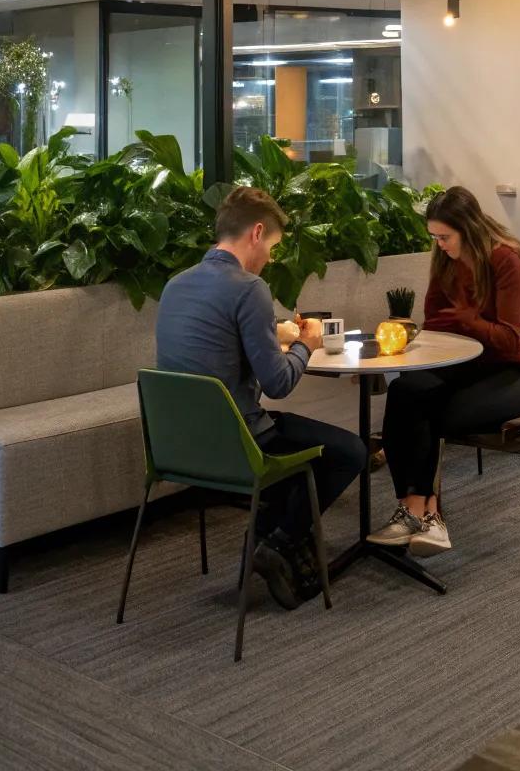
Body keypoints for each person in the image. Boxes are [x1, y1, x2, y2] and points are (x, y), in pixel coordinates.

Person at [155, 185, 365, 610]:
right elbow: (278, 384)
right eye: (272, 246)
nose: (270, 257)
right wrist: (306, 342)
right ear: (255, 233)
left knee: (297, 453)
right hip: (240, 447)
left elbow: (218, 349)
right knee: (350, 451)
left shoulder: (176, 285)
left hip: (180, 447)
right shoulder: (249, 288)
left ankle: (269, 542)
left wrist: (274, 333)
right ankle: (277, 544)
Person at [368, 186, 520, 558]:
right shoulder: (446, 260)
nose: (440, 244)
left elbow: (507, 339)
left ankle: (426, 514)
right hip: (472, 361)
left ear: (467, 229)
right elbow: (435, 320)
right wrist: (459, 325)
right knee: (406, 390)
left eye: (445, 237)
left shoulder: (505, 260)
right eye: (434, 237)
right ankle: (418, 510)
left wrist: (467, 319)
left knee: (433, 410)